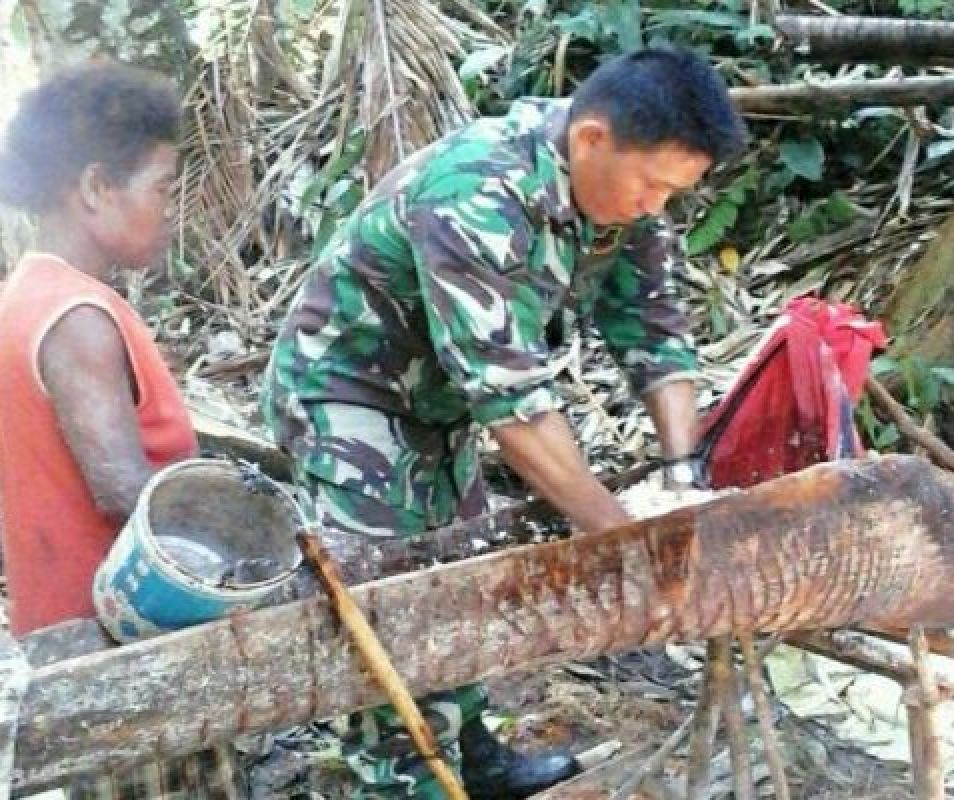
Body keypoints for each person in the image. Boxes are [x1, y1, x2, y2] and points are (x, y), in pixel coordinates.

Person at [263, 46, 747, 799]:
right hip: (347, 392)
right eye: (652, 184)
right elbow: (510, 402)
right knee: (390, 598)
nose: (658, 205)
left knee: (464, 577)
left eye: (675, 192)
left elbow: (653, 327)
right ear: (591, 138)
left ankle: (473, 757)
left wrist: (681, 477)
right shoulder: (477, 193)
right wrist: (622, 538)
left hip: (437, 398)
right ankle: (402, 779)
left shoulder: (624, 196)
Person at [0, 61, 245, 799]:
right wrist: (240, 556)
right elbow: (119, 490)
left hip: (78, 635)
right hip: (121, 642)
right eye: (161, 188)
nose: (171, 210)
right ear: (97, 187)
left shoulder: (31, 291)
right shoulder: (77, 317)